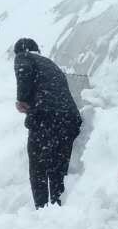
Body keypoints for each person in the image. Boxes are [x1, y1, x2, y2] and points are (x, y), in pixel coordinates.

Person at [13, 38, 82, 208]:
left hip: (46, 117)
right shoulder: (51, 64)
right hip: (69, 120)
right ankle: (57, 206)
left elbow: (23, 70)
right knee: (57, 168)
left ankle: (42, 209)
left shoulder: (24, 56)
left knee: (38, 167)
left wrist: (22, 99)